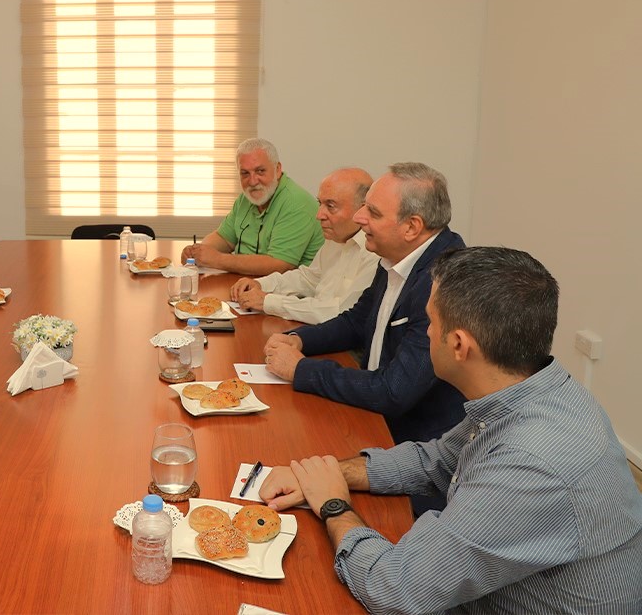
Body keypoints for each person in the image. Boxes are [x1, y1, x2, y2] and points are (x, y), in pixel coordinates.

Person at [259, 247, 642, 614]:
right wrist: (325, 474)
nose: (425, 334)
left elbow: (394, 589)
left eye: (430, 322)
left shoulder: (531, 463)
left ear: (459, 344)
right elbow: (436, 460)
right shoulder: (529, 390)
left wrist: (334, 505)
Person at [263, 162, 466, 513]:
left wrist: (301, 370)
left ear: (412, 227)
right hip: (374, 420)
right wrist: (299, 340)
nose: (359, 219)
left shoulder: (442, 281)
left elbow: (393, 391)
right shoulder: (396, 256)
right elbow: (358, 320)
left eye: (372, 212)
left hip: (414, 453)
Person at [229, 167, 378, 324]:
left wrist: (268, 301)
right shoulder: (336, 238)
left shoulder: (375, 251)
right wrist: (261, 284)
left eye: (330, 206)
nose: (319, 215)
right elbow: (307, 279)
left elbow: (340, 311)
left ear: (362, 209)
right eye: (320, 203)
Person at [180, 138, 323, 276]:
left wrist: (217, 259)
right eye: (245, 173)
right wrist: (197, 252)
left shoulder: (295, 203)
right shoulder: (246, 199)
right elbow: (224, 238)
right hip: (251, 283)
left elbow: (279, 265)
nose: (253, 181)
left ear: (278, 169)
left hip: (292, 290)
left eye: (260, 171)